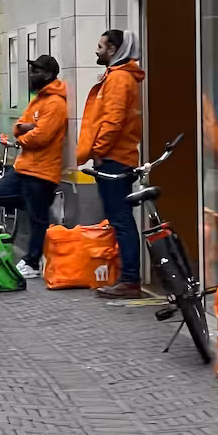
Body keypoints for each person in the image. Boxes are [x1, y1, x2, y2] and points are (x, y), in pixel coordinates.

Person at [77, 29, 146, 297]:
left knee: (121, 219)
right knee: (121, 219)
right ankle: (127, 277)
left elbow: (112, 121)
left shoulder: (119, 79)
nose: (96, 50)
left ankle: (129, 280)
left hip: (114, 159)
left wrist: (98, 151)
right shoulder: (117, 77)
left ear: (114, 49)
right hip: (116, 157)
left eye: (100, 46)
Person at [0, 56, 67, 279]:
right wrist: (27, 127)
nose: (31, 74)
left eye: (36, 71)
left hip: (42, 169)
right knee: (0, 195)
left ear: (48, 74)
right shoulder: (38, 100)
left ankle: (33, 262)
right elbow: (18, 127)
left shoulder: (55, 103)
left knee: (37, 218)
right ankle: (43, 208)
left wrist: (26, 133)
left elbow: (41, 137)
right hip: (25, 166)